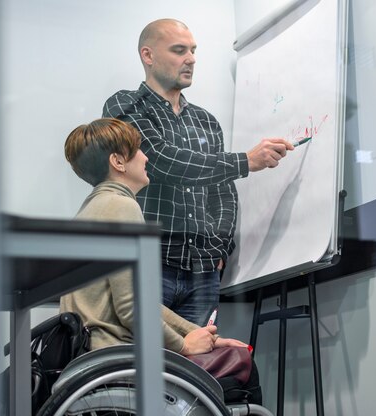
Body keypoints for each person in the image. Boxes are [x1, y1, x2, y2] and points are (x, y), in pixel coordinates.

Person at [103, 18, 295, 326]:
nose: (191, 59)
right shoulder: (125, 105)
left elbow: (224, 195)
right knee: (142, 365)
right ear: (148, 56)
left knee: (195, 369)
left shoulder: (206, 121)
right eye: (179, 50)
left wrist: (218, 250)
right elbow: (162, 160)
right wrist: (246, 160)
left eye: (193, 50)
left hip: (203, 271)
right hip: (149, 264)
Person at [60, 117, 247, 355]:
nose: (145, 156)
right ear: (118, 162)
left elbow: (141, 301)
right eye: (137, 150)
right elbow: (131, 308)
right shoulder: (122, 207)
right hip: (116, 353)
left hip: (94, 352)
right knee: (238, 363)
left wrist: (195, 333)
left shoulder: (91, 209)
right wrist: (183, 345)